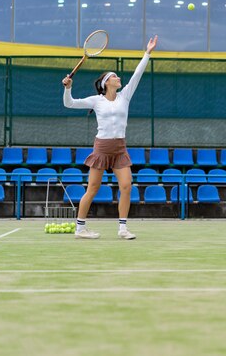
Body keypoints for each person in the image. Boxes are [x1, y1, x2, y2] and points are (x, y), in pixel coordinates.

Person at [62, 35, 158, 240]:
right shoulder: (96, 101)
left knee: (126, 186)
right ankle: (80, 228)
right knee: (93, 188)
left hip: (120, 148)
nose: (118, 78)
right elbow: (69, 103)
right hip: (102, 148)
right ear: (107, 83)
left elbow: (137, 75)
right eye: (114, 77)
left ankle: (123, 229)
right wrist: (68, 88)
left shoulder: (125, 96)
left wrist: (147, 53)